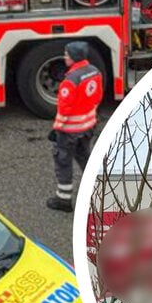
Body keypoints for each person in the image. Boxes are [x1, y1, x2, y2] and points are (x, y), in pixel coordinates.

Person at [47, 41, 104, 212]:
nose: (65, 57)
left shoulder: (70, 80)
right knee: (85, 157)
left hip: (69, 130)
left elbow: (64, 109)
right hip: (88, 126)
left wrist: (56, 129)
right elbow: (97, 97)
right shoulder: (95, 72)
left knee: (63, 162)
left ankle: (63, 200)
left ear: (74, 57)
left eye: (67, 55)